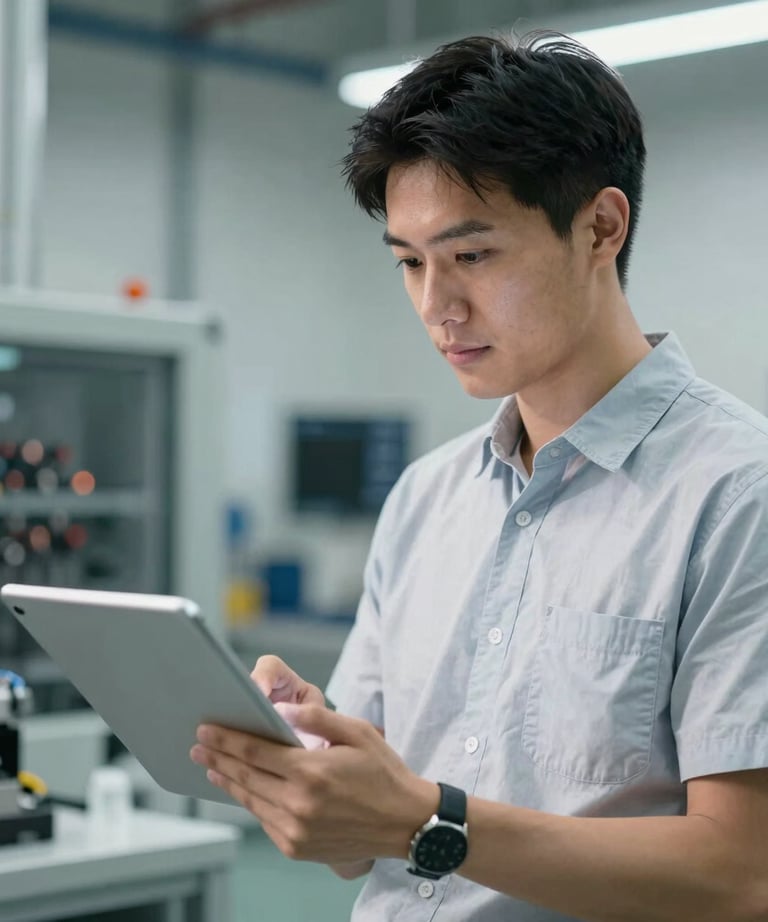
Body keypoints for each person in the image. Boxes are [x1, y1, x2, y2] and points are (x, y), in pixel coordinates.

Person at [190, 31, 768, 921]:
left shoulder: (736, 494)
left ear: (600, 229)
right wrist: (303, 766)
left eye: (474, 256)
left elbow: (740, 875)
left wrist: (432, 820)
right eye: (410, 262)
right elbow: (357, 847)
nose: (437, 307)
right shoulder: (427, 498)